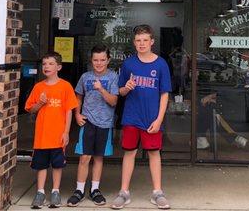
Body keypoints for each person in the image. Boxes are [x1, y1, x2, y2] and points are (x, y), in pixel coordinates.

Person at [111, 24, 172, 210]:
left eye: (145, 40)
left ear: (152, 41)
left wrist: (159, 119)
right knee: (129, 152)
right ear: (134, 42)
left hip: (152, 118)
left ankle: (157, 193)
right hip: (131, 117)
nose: (142, 43)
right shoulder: (128, 63)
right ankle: (124, 192)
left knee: (154, 153)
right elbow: (120, 92)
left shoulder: (161, 64)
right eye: (138, 40)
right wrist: (126, 88)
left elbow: (165, 94)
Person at [66, 44, 119, 207]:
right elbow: (78, 96)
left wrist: (101, 89)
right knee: (84, 157)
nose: (99, 63)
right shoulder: (85, 77)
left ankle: (95, 189)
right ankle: (79, 190)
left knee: (98, 157)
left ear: (108, 60)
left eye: (102, 60)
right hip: (87, 121)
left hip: (104, 123)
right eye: (96, 60)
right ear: (91, 60)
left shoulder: (113, 77)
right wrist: (77, 114)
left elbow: (114, 101)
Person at [25, 52, 78, 209]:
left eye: (50, 63)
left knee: (57, 165)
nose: (46, 66)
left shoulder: (65, 86)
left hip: (58, 135)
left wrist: (66, 132)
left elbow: (69, 110)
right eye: (44, 64)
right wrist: (40, 103)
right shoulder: (38, 87)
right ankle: (40, 192)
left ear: (59, 67)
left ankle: (55, 191)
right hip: (42, 136)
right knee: (41, 165)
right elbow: (30, 109)